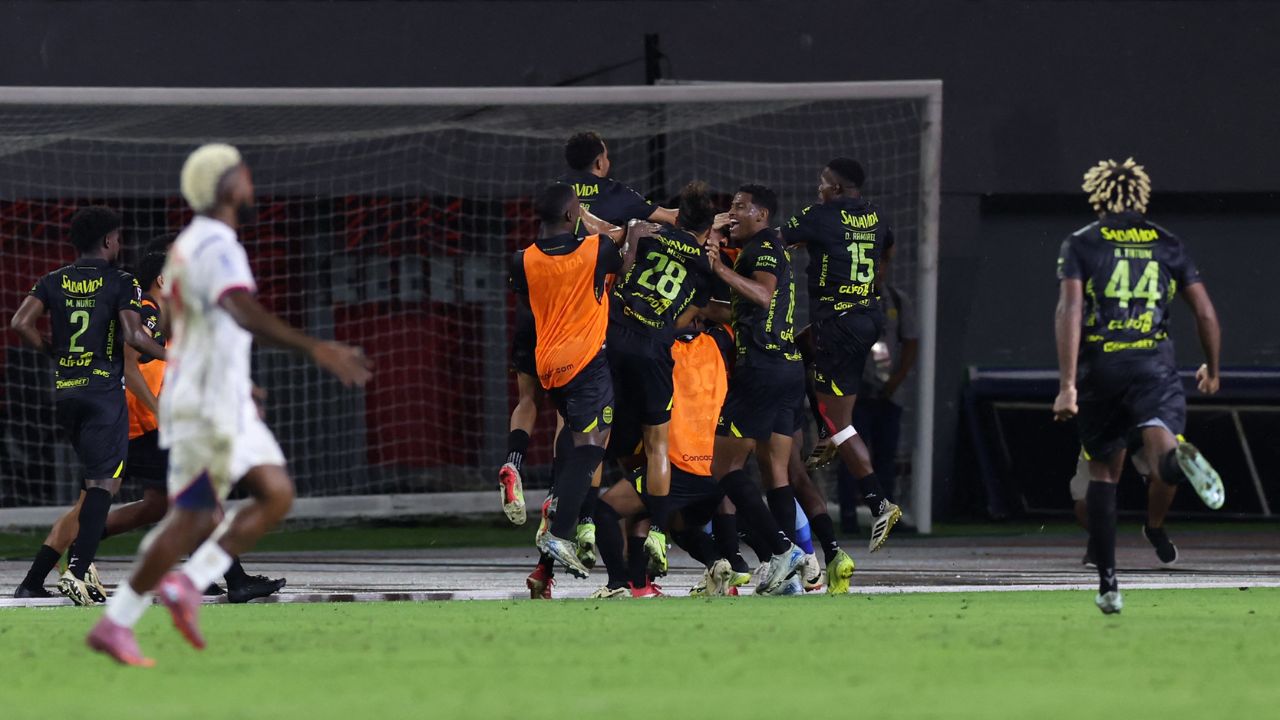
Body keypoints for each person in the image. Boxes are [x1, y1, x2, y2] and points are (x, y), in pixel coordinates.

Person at [86, 144, 372, 666]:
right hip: (210, 400)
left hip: (212, 392)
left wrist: (233, 374)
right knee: (223, 507)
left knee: (246, 499)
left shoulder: (186, 247)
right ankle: (159, 598)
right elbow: (240, 309)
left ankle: (145, 607)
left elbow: (175, 325)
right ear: (226, 185)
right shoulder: (217, 243)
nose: (250, 179)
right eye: (242, 171)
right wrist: (316, 347)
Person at [38, 250, 286, 604]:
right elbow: (130, 363)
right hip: (138, 426)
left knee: (154, 504)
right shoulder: (149, 313)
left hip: (121, 422)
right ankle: (236, 580)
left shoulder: (152, 314)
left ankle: (63, 559)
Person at [1053, 157, 1225, 614]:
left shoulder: (1082, 243)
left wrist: (1067, 384)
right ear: (1141, 196)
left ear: (1099, 195)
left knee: (1105, 477)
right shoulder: (1168, 243)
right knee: (1160, 439)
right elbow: (1205, 313)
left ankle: (1110, 585)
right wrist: (1212, 367)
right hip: (1155, 366)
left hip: (1102, 371)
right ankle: (1170, 457)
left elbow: (1069, 311)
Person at [10, 206, 168, 603]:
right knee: (104, 485)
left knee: (92, 485)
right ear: (108, 241)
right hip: (102, 393)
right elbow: (134, 336)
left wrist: (53, 353)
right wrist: (170, 354)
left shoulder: (51, 280)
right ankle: (78, 571)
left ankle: (47, 576)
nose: (121, 242)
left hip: (66, 392)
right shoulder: (122, 281)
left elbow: (20, 324)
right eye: (118, 237)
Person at [511, 182, 650, 580]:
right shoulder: (595, 250)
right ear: (573, 217)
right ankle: (559, 531)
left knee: (572, 443)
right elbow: (622, 265)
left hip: (547, 367)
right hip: (586, 363)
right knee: (592, 450)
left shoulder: (521, 260)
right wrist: (635, 237)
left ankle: (555, 529)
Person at [781, 158, 903, 596]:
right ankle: (826, 440)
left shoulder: (819, 215)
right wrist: (874, 280)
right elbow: (887, 247)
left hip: (838, 321)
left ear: (833, 187)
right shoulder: (878, 214)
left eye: (820, 183)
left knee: (840, 420)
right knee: (801, 347)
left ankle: (878, 501)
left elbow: (777, 240)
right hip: (867, 316)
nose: (817, 189)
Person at [604, 181, 717, 576]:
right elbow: (686, 319)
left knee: (598, 432)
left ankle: (579, 522)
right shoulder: (704, 267)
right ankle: (657, 529)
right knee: (657, 445)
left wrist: (632, 241)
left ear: (678, 217)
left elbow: (620, 271)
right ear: (705, 231)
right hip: (652, 349)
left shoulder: (651, 236)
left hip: (612, 336)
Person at [704, 184, 807, 595]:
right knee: (775, 472)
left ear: (762, 215)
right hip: (786, 369)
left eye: (741, 207)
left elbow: (762, 296)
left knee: (722, 467)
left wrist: (719, 269)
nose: (733, 213)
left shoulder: (763, 248)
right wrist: (706, 308)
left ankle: (782, 553)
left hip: (761, 369)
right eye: (731, 206)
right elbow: (749, 305)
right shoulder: (766, 248)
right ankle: (791, 571)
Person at [590, 321, 734, 598]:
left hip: (677, 466)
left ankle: (619, 584)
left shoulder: (659, 348)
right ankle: (718, 563)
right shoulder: (716, 342)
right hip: (715, 468)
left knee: (605, 511)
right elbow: (727, 321)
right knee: (677, 524)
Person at [836, 232, 918, 533]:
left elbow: (910, 342)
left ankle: (886, 516)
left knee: (886, 456)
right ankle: (847, 517)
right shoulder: (849, 299)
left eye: (882, 263)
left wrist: (894, 380)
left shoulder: (896, 300)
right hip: (855, 392)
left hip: (888, 393)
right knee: (850, 455)